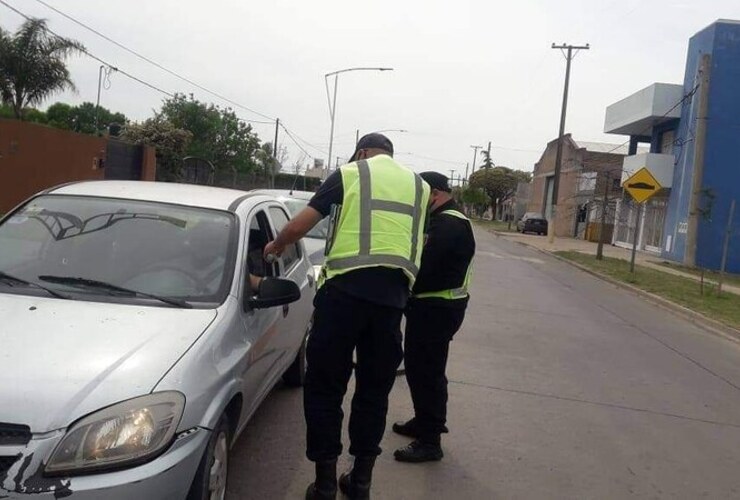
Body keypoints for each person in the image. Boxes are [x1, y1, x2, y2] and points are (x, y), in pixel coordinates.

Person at [263, 133, 430, 500]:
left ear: (364, 152)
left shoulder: (352, 173)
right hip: (391, 302)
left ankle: (324, 484)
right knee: (374, 392)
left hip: (344, 297)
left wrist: (276, 245)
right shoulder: (419, 186)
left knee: (324, 388)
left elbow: (299, 226)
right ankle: (360, 483)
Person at [392, 171, 475, 463]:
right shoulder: (444, 220)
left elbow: (424, 269)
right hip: (431, 307)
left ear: (434, 193)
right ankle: (423, 421)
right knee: (418, 368)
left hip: (437, 309)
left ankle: (430, 441)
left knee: (428, 372)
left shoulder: (449, 224)